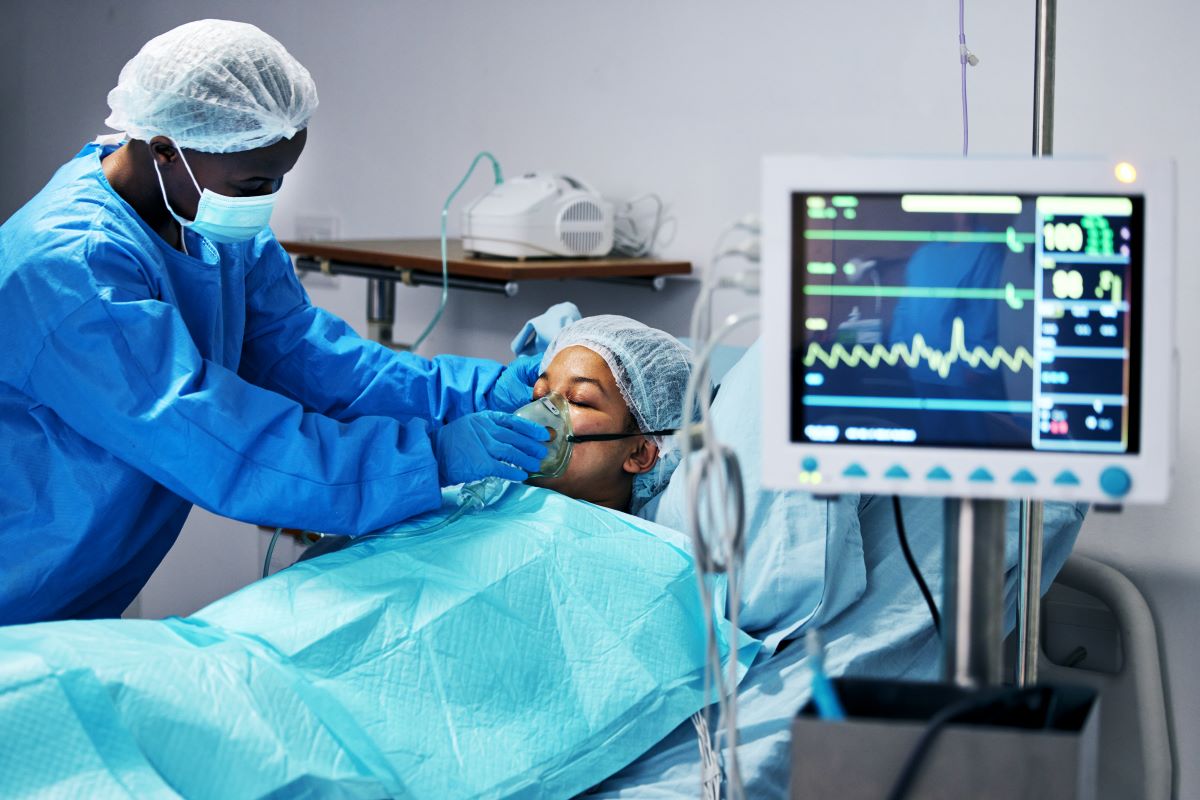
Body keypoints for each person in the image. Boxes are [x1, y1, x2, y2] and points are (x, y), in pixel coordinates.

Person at [0, 19, 549, 625]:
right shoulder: (72, 270)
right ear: (164, 149)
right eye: (255, 183)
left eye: (279, 179)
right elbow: (214, 436)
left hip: (82, 581)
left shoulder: (210, 225)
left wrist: (481, 390)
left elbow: (309, 357)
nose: (266, 200)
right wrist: (429, 458)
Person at [529, 315, 693, 514]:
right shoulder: (490, 493)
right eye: (539, 394)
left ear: (639, 454)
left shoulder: (624, 544)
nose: (542, 410)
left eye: (578, 400)